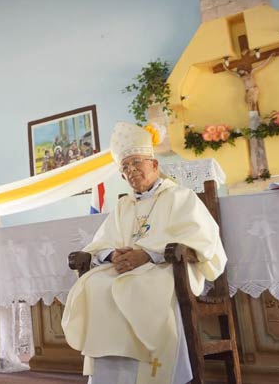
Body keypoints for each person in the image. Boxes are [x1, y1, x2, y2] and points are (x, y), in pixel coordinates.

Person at [61, 122, 227, 384]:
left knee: (140, 287)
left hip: (166, 269)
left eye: (136, 162)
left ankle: (154, 374)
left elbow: (200, 238)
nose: (131, 171)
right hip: (125, 270)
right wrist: (112, 256)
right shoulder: (124, 206)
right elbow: (102, 242)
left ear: (154, 165)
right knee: (94, 285)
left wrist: (148, 254)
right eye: (125, 168)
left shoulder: (180, 196)